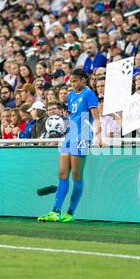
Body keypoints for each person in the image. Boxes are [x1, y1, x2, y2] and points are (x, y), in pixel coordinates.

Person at [38, 68, 102, 223]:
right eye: (71, 81)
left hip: (83, 136)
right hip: (70, 135)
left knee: (76, 175)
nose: (73, 84)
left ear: (83, 80)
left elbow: (96, 117)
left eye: (75, 81)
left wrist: (99, 135)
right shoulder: (71, 96)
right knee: (62, 174)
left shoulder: (89, 94)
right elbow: (73, 117)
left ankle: (71, 212)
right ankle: (55, 211)